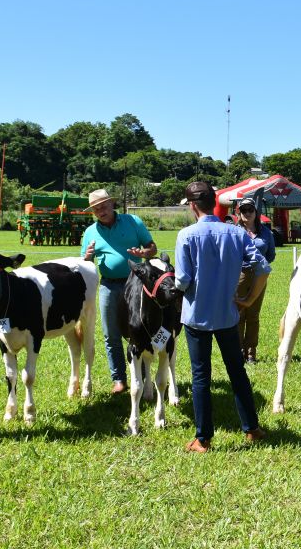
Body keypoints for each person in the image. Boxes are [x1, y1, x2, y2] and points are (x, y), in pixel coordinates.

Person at [174, 181, 271, 452]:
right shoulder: (237, 233)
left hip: (196, 316)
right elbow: (263, 267)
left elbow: (182, 280)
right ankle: (252, 429)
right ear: (213, 202)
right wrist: (249, 299)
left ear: (192, 206)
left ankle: (203, 438)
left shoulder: (186, 235)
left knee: (200, 376)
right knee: (237, 371)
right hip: (228, 315)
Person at [80, 188, 157, 394]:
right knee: (111, 334)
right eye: (96, 209)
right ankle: (119, 380)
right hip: (108, 286)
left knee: (140, 331)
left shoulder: (133, 221)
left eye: (103, 206)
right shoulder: (90, 232)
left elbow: (152, 247)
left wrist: (144, 252)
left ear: (112, 204)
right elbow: (84, 263)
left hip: (136, 284)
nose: (101, 211)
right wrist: (87, 257)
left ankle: (143, 377)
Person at [233, 197, 276, 363]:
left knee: (253, 314)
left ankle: (250, 352)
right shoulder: (234, 232)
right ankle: (237, 351)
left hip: (259, 276)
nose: (247, 213)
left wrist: (260, 265)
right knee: (238, 313)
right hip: (239, 275)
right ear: (239, 213)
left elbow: (271, 255)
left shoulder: (266, 233)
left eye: (250, 209)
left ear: (256, 212)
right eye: (244, 210)